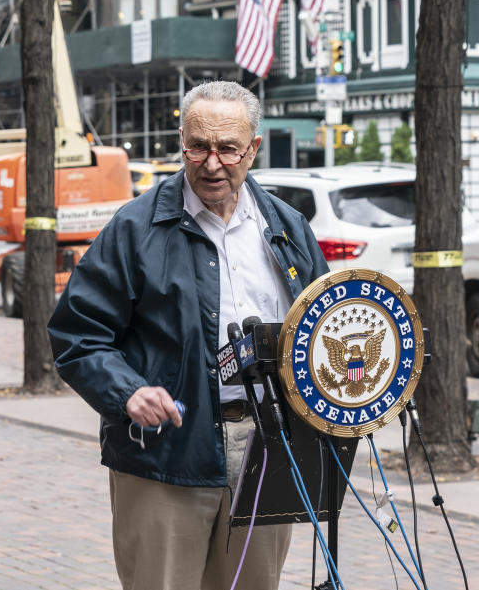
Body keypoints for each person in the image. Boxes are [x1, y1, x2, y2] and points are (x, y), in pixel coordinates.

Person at [48, 81, 329, 590]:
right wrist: (126, 391)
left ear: (254, 149)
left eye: (228, 149)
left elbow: (321, 331)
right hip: (166, 454)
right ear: (182, 143)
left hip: (268, 454)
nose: (212, 163)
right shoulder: (134, 229)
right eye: (198, 146)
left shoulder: (287, 227)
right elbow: (76, 334)